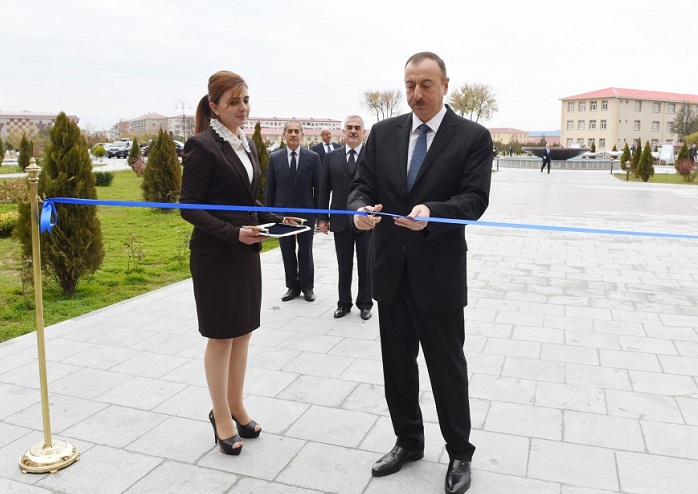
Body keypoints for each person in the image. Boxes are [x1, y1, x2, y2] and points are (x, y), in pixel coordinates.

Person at [348, 52, 492, 494]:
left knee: (447, 369)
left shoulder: (471, 137)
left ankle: (459, 454)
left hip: (439, 274)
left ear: (446, 84)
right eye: (410, 84)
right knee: (397, 367)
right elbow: (361, 186)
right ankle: (408, 442)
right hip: (390, 271)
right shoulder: (383, 134)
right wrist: (358, 212)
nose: (417, 94)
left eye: (426, 84)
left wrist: (433, 213)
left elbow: (474, 199)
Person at [180, 71, 283, 455]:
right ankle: (220, 415)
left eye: (246, 100)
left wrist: (275, 217)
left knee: (243, 332)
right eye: (234, 102)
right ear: (214, 107)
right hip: (215, 256)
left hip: (244, 254)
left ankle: (237, 405)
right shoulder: (202, 145)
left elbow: (244, 201)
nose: (243, 108)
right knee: (221, 336)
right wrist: (232, 232)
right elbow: (188, 207)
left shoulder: (246, 145)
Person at [318, 115, 373, 321]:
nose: (353, 130)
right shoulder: (332, 157)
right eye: (349, 127)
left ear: (363, 132)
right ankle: (344, 303)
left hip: (366, 221)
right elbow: (324, 189)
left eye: (357, 127)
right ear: (343, 131)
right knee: (344, 264)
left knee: (366, 264)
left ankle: (366, 304)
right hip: (340, 221)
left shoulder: (371, 156)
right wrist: (322, 218)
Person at [266, 120, 322, 302]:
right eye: (289, 131)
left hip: (306, 213)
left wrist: (320, 216)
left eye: (296, 131)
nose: (293, 134)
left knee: (305, 250)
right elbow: (270, 188)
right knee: (287, 250)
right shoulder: (275, 158)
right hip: (281, 215)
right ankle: (292, 286)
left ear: (302, 135)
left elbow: (319, 188)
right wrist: (269, 215)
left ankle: (308, 287)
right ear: (284, 134)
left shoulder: (312, 158)